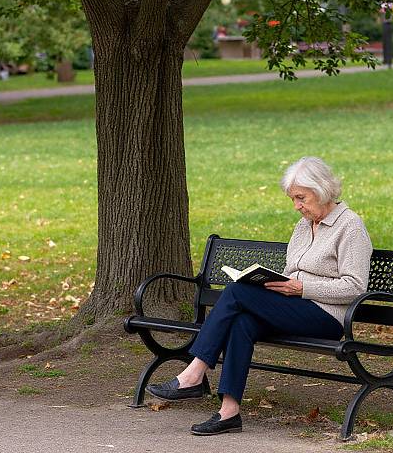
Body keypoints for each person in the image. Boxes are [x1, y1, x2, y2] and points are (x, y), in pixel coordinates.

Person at [146, 157, 373, 435]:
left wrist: (301, 288)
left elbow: (355, 287)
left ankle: (193, 374)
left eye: (301, 198)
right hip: (295, 306)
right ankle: (229, 412)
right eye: (293, 199)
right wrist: (276, 283)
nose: (297, 206)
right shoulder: (304, 225)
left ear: (322, 189)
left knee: (236, 292)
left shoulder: (350, 226)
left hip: (327, 317)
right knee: (242, 322)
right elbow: (292, 271)